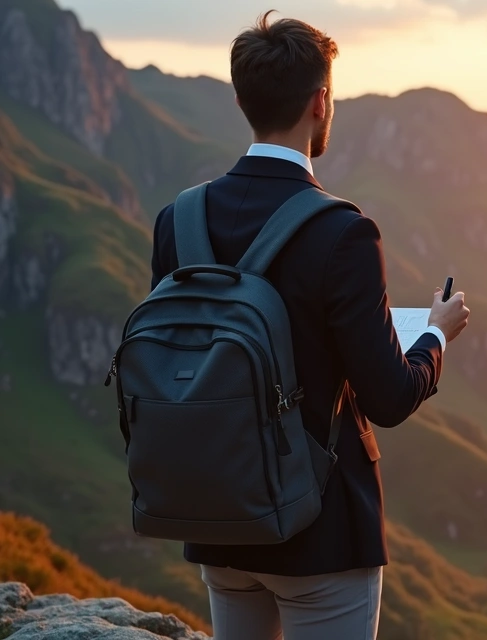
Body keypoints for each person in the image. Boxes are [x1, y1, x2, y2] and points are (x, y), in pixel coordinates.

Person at [147, 11, 470, 639]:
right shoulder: (343, 232)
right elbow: (390, 396)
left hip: (219, 521)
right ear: (320, 102)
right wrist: (434, 336)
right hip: (321, 533)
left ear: (242, 99)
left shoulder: (177, 220)